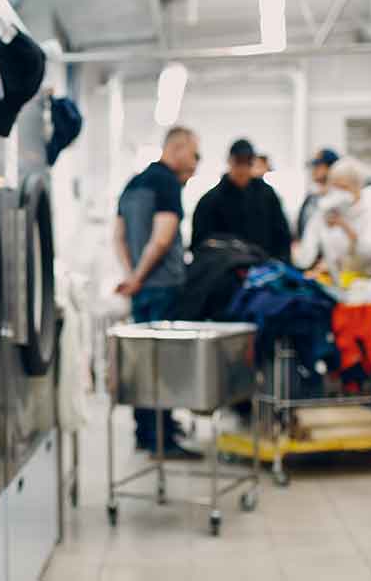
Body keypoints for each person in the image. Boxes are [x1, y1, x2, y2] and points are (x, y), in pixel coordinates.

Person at [114, 126, 202, 460]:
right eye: (193, 153)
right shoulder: (166, 183)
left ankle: (145, 430)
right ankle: (161, 438)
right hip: (162, 286)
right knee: (163, 364)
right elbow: (163, 238)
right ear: (177, 149)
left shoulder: (133, 183)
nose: (194, 161)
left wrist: (130, 276)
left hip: (141, 289)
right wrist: (139, 276)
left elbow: (118, 236)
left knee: (142, 362)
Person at [191, 138, 291, 261]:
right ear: (229, 161)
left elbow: (283, 236)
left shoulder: (267, 196)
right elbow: (200, 245)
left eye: (247, 162)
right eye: (239, 161)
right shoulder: (210, 201)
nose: (243, 168)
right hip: (225, 274)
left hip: (264, 271)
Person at [294, 157, 371, 281]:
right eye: (334, 187)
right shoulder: (326, 212)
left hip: (369, 281)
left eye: (343, 187)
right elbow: (306, 255)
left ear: (358, 187)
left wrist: (346, 228)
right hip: (338, 283)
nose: (338, 193)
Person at [296, 148, 339, 241]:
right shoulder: (312, 196)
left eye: (317, 165)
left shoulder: (340, 198)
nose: (313, 170)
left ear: (332, 168)